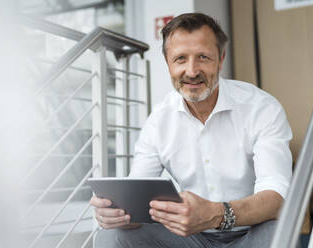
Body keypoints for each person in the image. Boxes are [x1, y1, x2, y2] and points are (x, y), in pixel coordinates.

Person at [90, 12, 292, 248]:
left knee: (278, 232)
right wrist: (121, 215)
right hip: (190, 239)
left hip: (252, 233)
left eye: (203, 57)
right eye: (180, 59)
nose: (192, 71)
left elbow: (278, 197)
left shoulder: (261, 108)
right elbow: (138, 198)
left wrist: (216, 214)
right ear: (168, 63)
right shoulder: (159, 121)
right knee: (109, 236)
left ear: (221, 58)